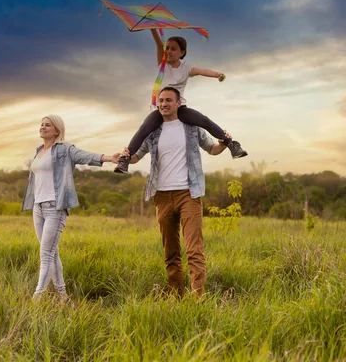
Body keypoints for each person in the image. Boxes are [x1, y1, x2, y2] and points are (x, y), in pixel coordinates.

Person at [122, 87, 229, 297]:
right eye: (161, 101)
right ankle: (176, 297)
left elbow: (212, 149)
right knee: (170, 252)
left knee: (194, 251)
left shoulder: (191, 127)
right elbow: (137, 156)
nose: (163, 104)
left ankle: (198, 299)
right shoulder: (152, 130)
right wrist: (125, 155)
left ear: (178, 103)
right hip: (161, 196)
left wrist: (224, 144)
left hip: (188, 193)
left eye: (168, 100)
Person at [115, 29, 247, 174]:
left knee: (204, 120)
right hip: (161, 108)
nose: (169, 51)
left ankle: (232, 145)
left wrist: (217, 75)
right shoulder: (162, 64)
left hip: (180, 107)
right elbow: (159, 44)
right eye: (168, 48)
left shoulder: (186, 68)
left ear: (182, 52)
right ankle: (124, 160)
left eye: (173, 49)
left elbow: (201, 71)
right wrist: (153, 28)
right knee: (144, 128)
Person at [22, 114, 120, 304]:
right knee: (52, 252)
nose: (42, 127)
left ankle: (37, 298)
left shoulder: (64, 149)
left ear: (57, 130)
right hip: (38, 207)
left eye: (47, 125)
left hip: (55, 208)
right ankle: (62, 295)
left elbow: (84, 156)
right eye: (41, 124)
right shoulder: (39, 151)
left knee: (46, 254)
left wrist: (108, 158)